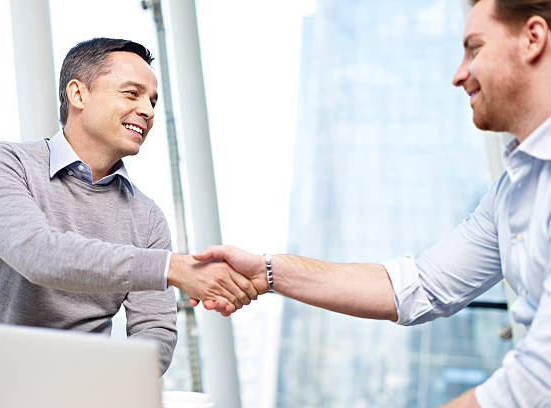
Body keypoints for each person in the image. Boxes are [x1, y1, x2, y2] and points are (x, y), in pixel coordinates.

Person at [192, 0, 551, 406]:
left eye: (475, 48)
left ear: (532, 39)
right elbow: (422, 286)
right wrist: (269, 272)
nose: (459, 74)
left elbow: (537, 379)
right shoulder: (512, 188)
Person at [0, 38, 256, 408]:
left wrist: (108, 386)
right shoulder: (0, 165)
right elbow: (39, 255)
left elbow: (155, 329)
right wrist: (173, 268)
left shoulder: (147, 218)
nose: (147, 110)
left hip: (78, 398)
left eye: (153, 100)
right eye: (132, 93)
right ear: (78, 93)